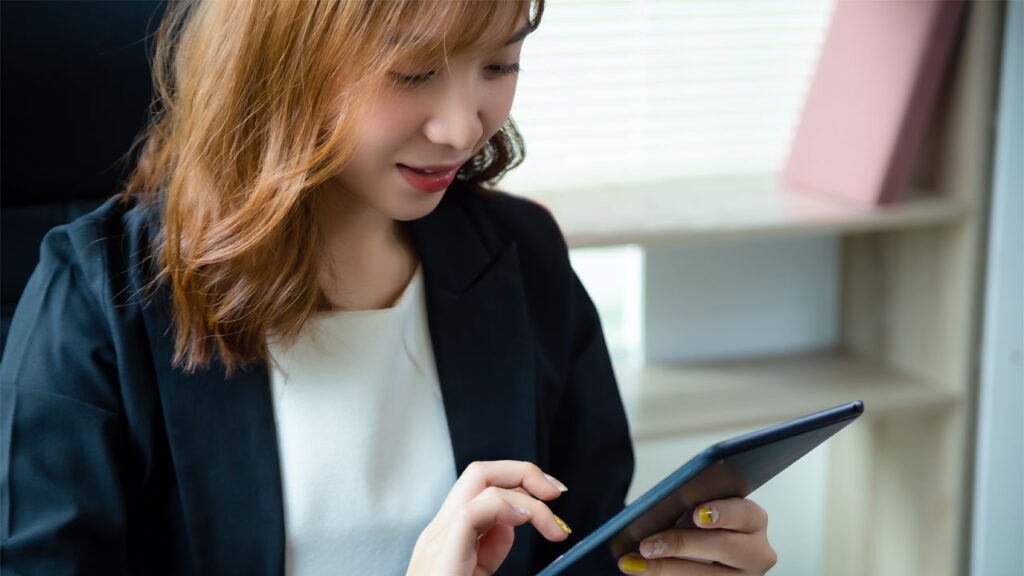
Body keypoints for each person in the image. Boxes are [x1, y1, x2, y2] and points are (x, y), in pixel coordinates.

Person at [0, 1, 777, 575]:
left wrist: (669, 563)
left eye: (500, 65)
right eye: (412, 73)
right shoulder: (95, 297)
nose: (462, 128)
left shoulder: (524, 257)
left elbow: (589, 541)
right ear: (281, 56)